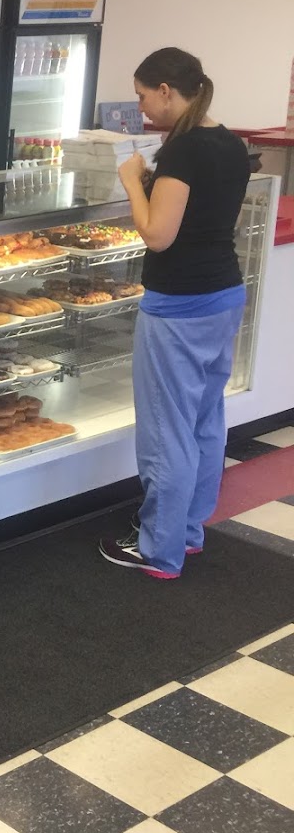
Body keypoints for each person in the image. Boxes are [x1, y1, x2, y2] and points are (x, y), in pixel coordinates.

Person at [99, 48, 252, 579]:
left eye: (143, 96)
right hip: (223, 295)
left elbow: (158, 235)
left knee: (166, 430)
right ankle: (187, 531)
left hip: (178, 305)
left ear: (166, 90)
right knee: (204, 421)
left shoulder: (183, 150)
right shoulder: (229, 142)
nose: (141, 107)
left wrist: (131, 181)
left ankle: (158, 549)